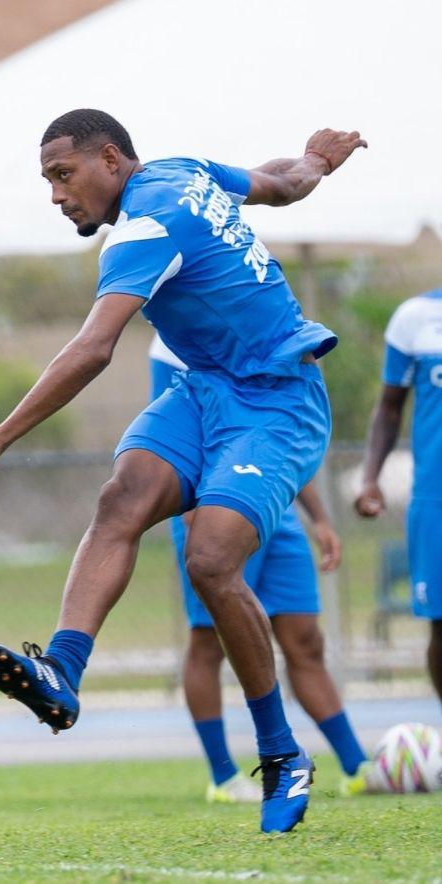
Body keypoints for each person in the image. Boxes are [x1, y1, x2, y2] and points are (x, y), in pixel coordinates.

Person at [0, 108, 365, 832]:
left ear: (110, 160)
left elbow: (94, 349)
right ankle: (62, 672)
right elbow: (281, 185)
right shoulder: (185, 172)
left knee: (212, 558)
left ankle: (283, 753)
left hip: (277, 398)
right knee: (120, 499)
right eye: (48, 182)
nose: (58, 195)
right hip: (205, 388)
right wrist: (317, 161)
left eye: (64, 176)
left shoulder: (142, 228)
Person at [150, 335, 370, 802]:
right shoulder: (173, 332)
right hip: (215, 511)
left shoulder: (266, 322)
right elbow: (170, 435)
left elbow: (283, 430)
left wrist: (321, 519)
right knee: (208, 643)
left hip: (276, 507)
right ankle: (224, 777)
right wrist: (193, 516)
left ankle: (357, 767)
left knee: (305, 639)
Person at [354, 288, 442, 708]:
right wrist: (370, 479)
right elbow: (390, 408)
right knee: (440, 626)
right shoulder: (416, 317)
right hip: (435, 496)